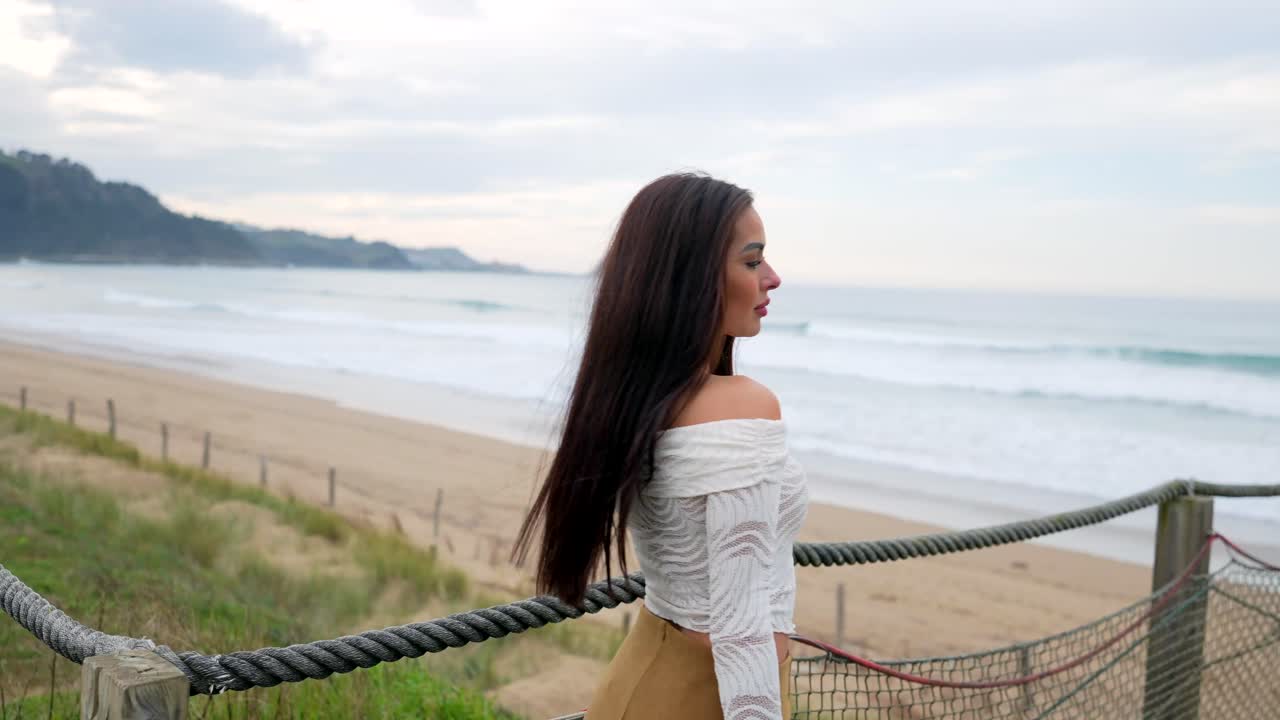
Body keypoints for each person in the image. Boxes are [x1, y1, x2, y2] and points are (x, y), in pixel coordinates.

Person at [511, 172, 808, 719]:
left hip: (650, 674)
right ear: (690, 280)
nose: (772, 277)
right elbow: (738, 628)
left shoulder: (639, 398)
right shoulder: (741, 404)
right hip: (713, 700)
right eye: (751, 261)